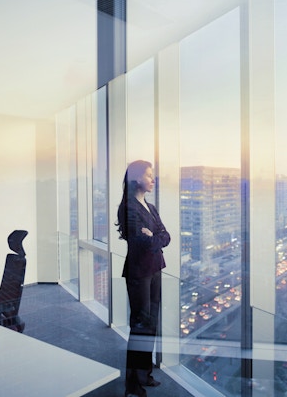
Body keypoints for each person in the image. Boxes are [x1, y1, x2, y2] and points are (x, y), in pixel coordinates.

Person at [116, 160, 171, 397]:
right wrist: (153, 238)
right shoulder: (128, 207)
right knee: (139, 326)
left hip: (155, 269)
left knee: (151, 325)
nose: (153, 179)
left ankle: (144, 374)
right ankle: (132, 383)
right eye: (149, 175)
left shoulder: (150, 206)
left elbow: (165, 236)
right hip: (139, 272)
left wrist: (154, 237)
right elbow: (141, 242)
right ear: (137, 178)